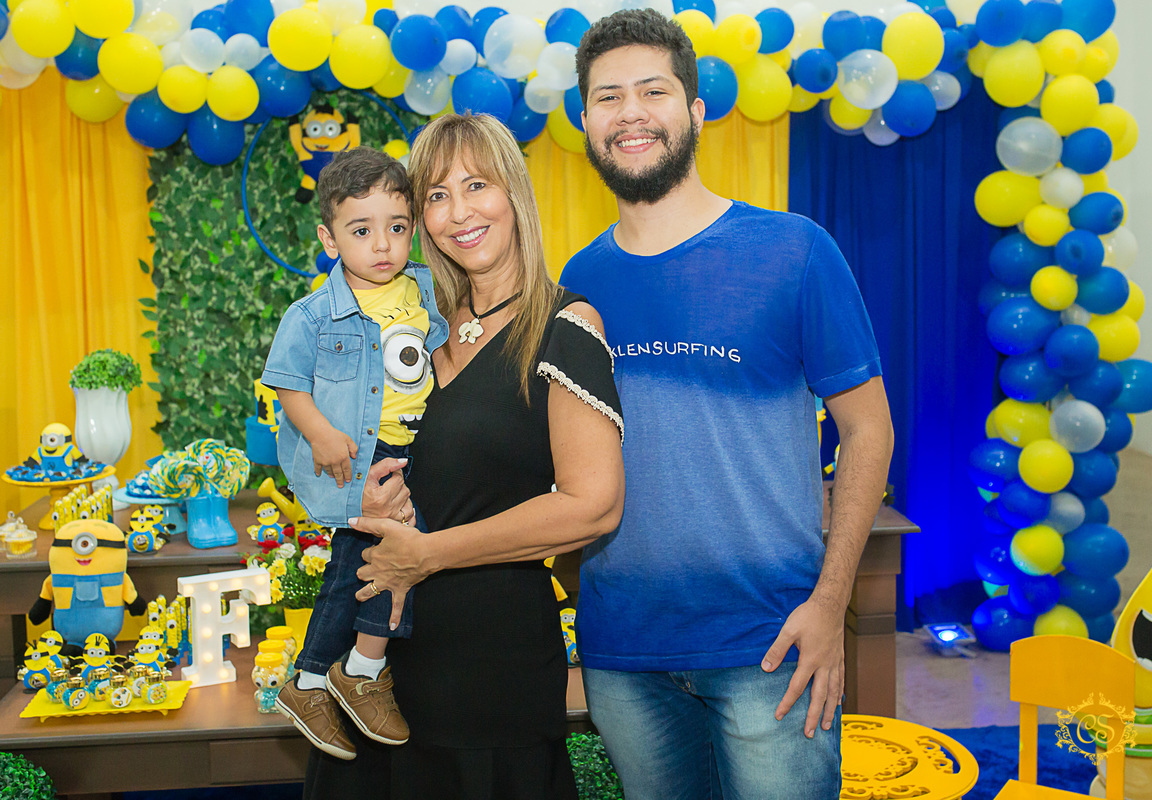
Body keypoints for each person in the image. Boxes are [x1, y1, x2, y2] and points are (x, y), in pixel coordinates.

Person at [558, 10, 895, 798]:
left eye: (653, 91)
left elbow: (868, 431)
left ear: (696, 111)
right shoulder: (578, 282)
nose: (631, 112)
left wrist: (831, 604)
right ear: (586, 123)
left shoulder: (795, 250)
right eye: (608, 97)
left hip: (770, 645)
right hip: (623, 656)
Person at [302, 112, 626, 800]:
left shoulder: (565, 326)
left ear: (514, 194)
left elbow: (593, 506)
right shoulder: (412, 324)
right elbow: (338, 444)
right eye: (437, 196)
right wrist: (361, 492)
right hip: (372, 669)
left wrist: (429, 554)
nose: (458, 213)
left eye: (477, 186)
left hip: (488, 670)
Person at [261, 146, 449, 760]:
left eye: (397, 227)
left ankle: (319, 680)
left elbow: (447, 351)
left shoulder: (424, 289)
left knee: (375, 562)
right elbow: (287, 383)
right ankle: (353, 672)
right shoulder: (314, 314)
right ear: (330, 238)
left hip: (417, 448)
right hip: (360, 454)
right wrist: (319, 432)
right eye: (362, 231)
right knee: (371, 561)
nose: (383, 245)